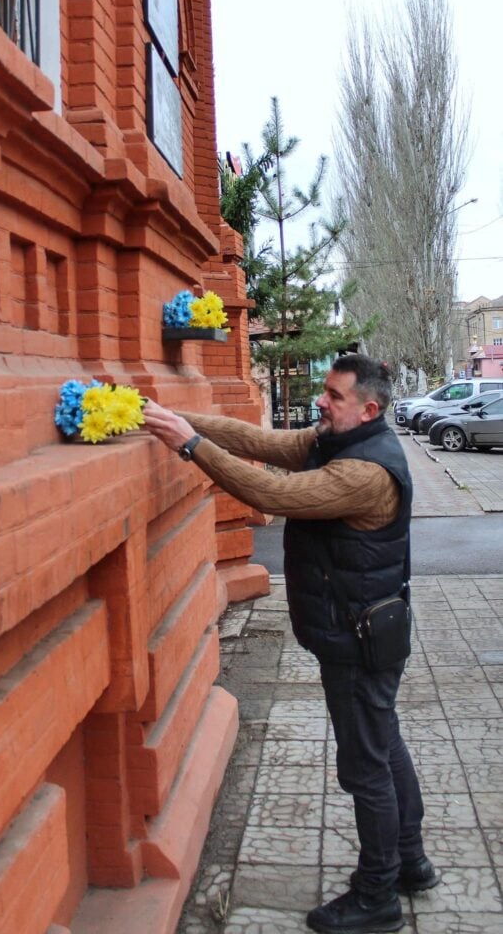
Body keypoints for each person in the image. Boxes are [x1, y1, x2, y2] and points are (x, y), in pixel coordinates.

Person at [143, 354, 438, 934]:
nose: (321, 402)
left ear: (368, 409)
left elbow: (271, 493)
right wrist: (171, 417)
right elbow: (258, 441)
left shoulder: (364, 472)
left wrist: (187, 446)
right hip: (364, 630)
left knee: (365, 768)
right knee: (384, 745)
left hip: (357, 640)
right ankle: (411, 862)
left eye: (333, 395)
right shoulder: (339, 439)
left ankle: (377, 894)